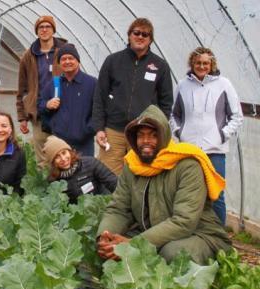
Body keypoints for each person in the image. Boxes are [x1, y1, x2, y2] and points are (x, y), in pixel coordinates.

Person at [96, 105, 230, 265]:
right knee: (107, 248)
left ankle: (193, 287)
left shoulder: (187, 165)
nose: (146, 141)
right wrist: (105, 235)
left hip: (199, 234)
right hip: (151, 234)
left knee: (172, 254)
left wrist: (134, 245)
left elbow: (184, 221)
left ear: (164, 136)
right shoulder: (132, 164)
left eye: (153, 136)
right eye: (141, 135)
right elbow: (119, 208)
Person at [91, 17, 173, 175]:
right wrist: (99, 129)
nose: (140, 37)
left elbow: (166, 102)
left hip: (143, 133)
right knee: (108, 176)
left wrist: (157, 129)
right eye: (137, 33)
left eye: (145, 34)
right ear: (129, 35)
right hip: (114, 131)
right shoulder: (113, 61)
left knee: (140, 176)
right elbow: (99, 96)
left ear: (150, 40)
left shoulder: (160, 66)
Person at [171, 47, 243, 225]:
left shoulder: (224, 84)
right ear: (192, 64)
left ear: (211, 65)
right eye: (198, 63)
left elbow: (236, 115)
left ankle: (219, 235)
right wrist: (179, 132)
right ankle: (192, 230)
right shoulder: (182, 85)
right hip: (189, 150)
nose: (202, 66)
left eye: (205, 63)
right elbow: (173, 114)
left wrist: (222, 134)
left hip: (214, 150)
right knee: (189, 192)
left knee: (216, 194)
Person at [16, 15, 68, 165]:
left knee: (64, 152)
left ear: (53, 30)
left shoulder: (64, 50)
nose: (44, 30)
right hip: (39, 111)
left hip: (63, 109)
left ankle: (65, 187)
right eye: (41, 27)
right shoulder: (28, 56)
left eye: (48, 27)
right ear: (37, 31)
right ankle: (45, 187)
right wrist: (22, 117)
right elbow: (22, 88)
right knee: (43, 157)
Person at [39, 44, 96, 156]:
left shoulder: (91, 83)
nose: (67, 61)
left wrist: (88, 130)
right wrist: (47, 105)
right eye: (63, 59)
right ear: (59, 63)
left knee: (85, 171)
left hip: (84, 144)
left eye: (71, 58)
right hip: (60, 144)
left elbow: (99, 109)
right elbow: (39, 104)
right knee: (61, 172)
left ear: (78, 61)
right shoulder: (54, 84)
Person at [41, 135, 116, 204]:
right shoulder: (54, 182)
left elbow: (113, 182)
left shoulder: (91, 163)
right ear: (53, 163)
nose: (63, 159)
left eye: (64, 153)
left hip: (104, 206)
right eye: (57, 157)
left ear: (69, 152)